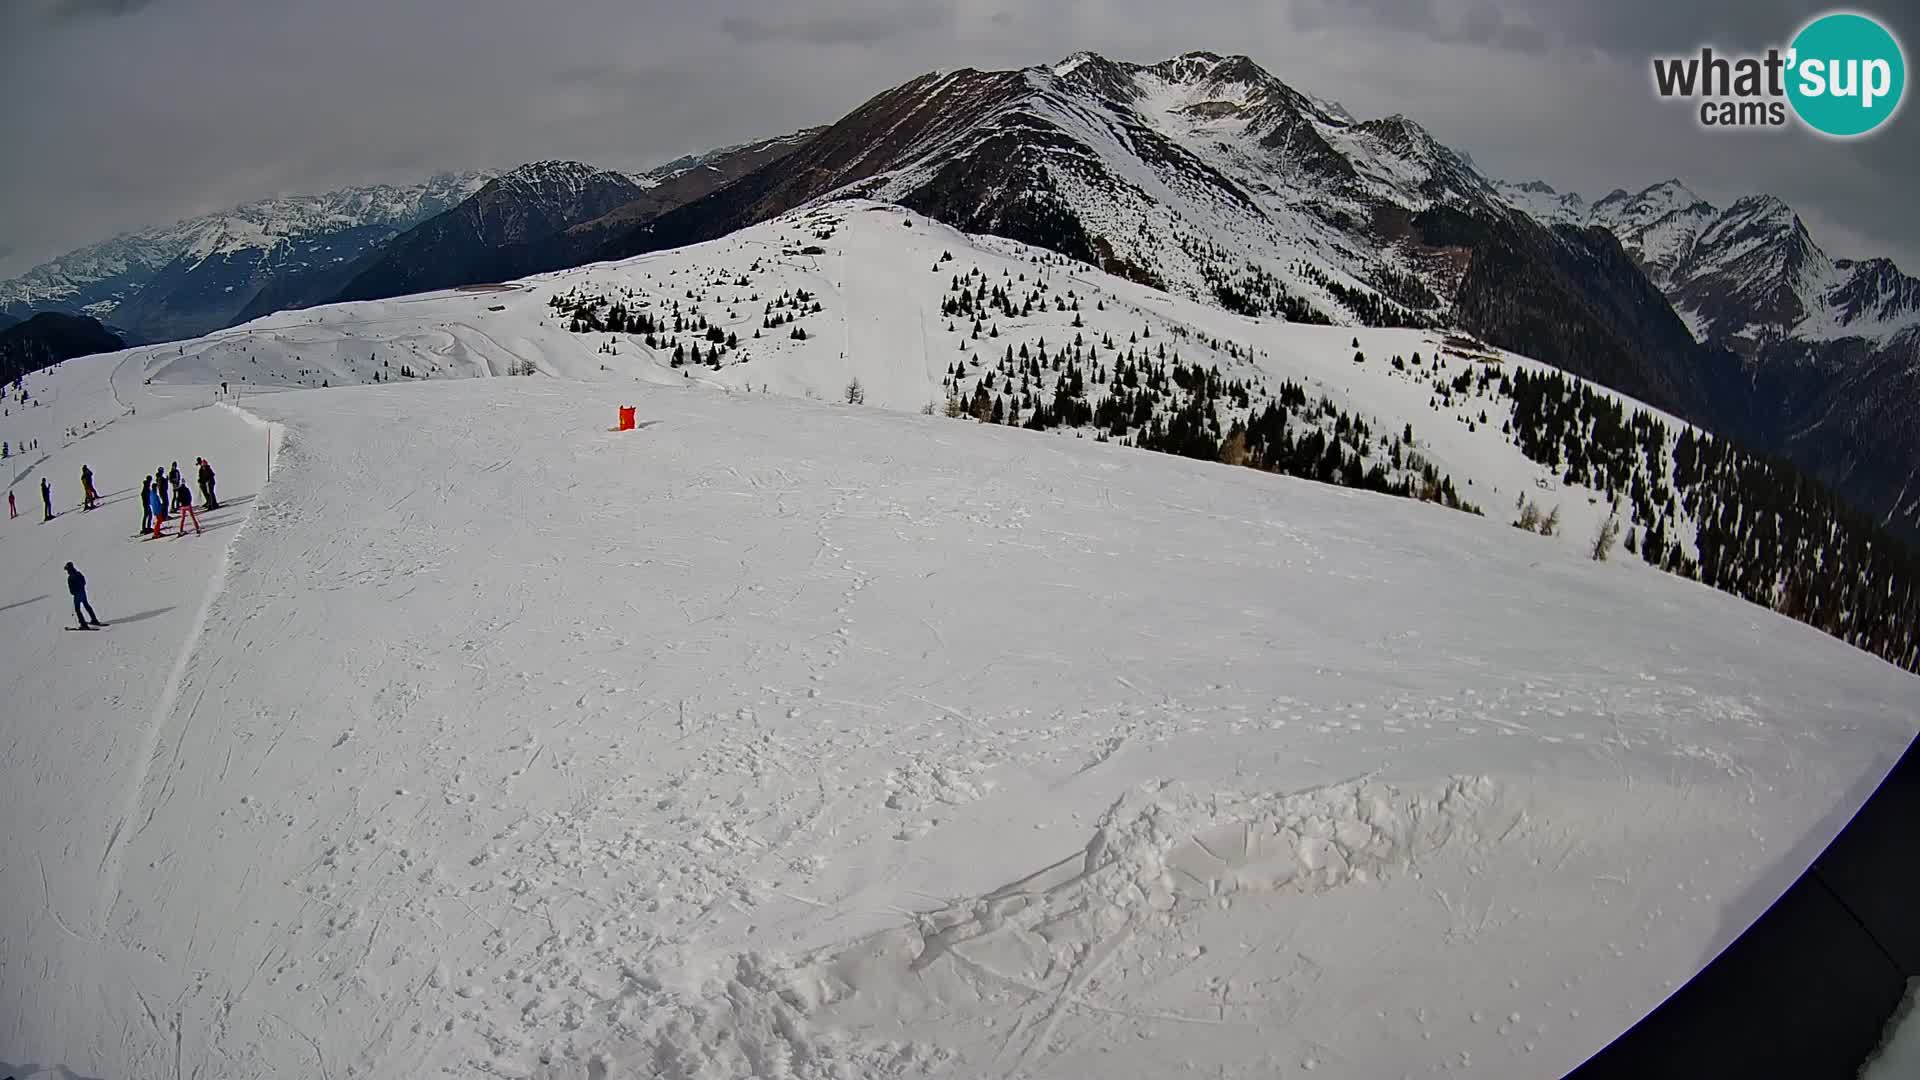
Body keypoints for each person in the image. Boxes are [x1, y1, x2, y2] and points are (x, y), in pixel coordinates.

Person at [66, 562, 102, 629]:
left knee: (77, 609)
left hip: (77, 595)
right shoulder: (79, 573)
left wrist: (74, 592)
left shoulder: (70, 578)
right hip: (83, 593)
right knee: (87, 606)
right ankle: (94, 620)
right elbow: (84, 582)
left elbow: (71, 590)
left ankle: (83, 624)